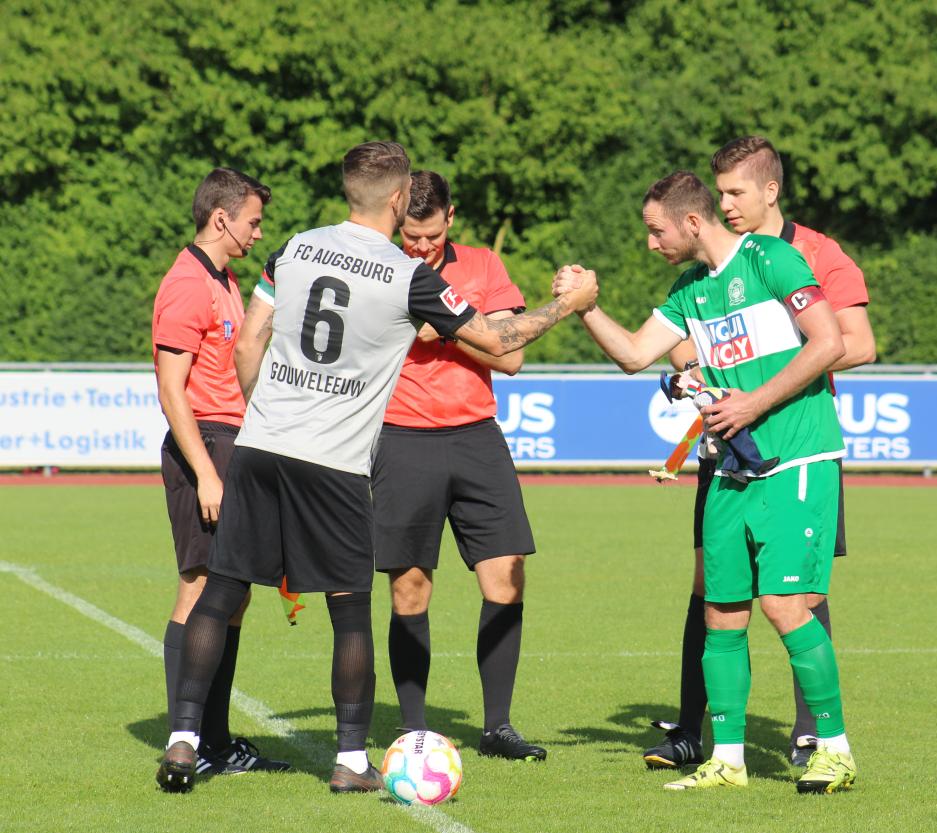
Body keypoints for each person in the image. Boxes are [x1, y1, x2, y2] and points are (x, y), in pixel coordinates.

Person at [155, 141, 597, 794]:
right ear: (398, 199)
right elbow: (500, 341)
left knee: (220, 593)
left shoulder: (295, 248)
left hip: (263, 442)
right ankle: (351, 761)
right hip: (334, 461)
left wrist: (269, 413)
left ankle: (183, 740)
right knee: (350, 611)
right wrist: (571, 304)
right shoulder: (407, 275)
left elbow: (250, 341)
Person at [552, 170, 857, 794]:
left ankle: (835, 748)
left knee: (783, 606)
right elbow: (637, 355)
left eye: (655, 230)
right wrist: (584, 309)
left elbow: (829, 342)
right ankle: (729, 760)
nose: (650, 243)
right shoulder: (691, 290)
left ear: (691, 223)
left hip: (796, 459)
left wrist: (752, 403)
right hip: (731, 466)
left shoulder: (774, 259)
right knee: (721, 613)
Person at [643, 135, 875, 771]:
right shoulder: (706, 270)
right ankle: (705, 737)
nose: (724, 203)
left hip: (794, 444)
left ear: (770, 191)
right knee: (716, 589)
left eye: (735, 192)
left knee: (795, 593)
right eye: (718, 192)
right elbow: (683, 341)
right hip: (728, 448)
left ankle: (815, 736)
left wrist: (760, 377)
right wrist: (705, 365)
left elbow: (852, 343)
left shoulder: (811, 253)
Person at [374, 171, 546, 761]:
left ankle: (497, 727)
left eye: (427, 235)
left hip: (476, 437)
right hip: (400, 440)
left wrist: (445, 331)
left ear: (451, 217)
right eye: (409, 235)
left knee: (507, 575)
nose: (418, 247)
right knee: (410, 588)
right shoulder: (380, 267)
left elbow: (512, 354)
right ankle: (414, 729)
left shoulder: (484, 267)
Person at [151, 167, 289, 776]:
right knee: (200, 588)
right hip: (204, 444)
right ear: (222, 218)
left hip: (232, 443)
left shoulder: (224, 280)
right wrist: (206, 471)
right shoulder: (186, 283)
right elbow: (171, 389)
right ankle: (190, 739)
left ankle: (215, 740)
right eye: (254, 221)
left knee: (231, 598)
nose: (258, 232)